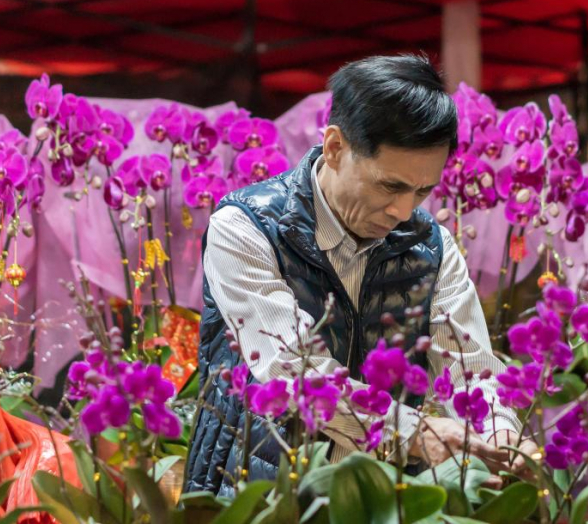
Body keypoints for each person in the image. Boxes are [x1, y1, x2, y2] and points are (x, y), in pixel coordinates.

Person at [185, 54, 529, 496]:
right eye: (390, 186)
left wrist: (497, 436)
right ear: (334, 147)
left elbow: (472, 371)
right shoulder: (245, 228)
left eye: (422, 190)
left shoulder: (433, 247)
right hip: (261, 493)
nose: (403, 211)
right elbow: (290, 370)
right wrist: (415, 431)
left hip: (384, 499)